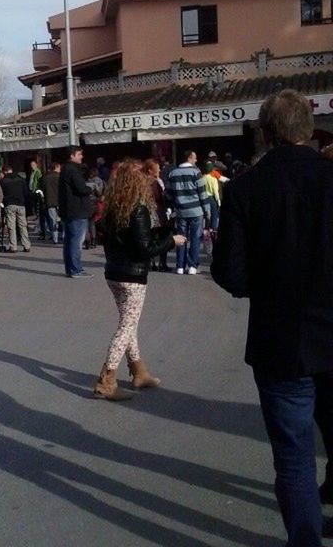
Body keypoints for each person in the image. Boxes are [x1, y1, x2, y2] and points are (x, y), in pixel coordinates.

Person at [212, 90, 333, 547]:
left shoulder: (245, 188)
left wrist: (273, 284)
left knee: (294, 455)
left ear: (265, 132)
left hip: (280, 340)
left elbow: (231, 274)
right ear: (309, 127)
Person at [93, 160, 185, 401]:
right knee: (126, 327)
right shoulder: (138, 208)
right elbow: (144, 249)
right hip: (132, 275)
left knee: (128, 323)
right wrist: (170, 241)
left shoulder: (113, 208)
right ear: (138, 181)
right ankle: (107, 379)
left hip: (113, 272)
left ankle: (138, 371)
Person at [166, 150, 210, 275]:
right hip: (196, 211)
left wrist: (172, 206)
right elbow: (202, 193)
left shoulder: (173, 173)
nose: (196, 160)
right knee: (195, 238)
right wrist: (207, 209)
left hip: (180, 211)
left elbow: (168, 194)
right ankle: (192, 266)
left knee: (181, 237)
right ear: (190, 158)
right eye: (195, 158)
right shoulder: (196, 172)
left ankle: (180, 266)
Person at [59, 146, 93, 278]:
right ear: (72, 155)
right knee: (76, 241)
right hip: (77, 210)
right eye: (79, 154)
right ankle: (76, 269)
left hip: (68, 209)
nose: (81, 157)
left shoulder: (65, 169)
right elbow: (81, 188)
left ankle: (70, 268)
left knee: (69, 241)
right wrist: (90, 189)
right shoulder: (73, 170)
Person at [143, 158, 170, 272]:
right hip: (157, 213)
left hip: (148, 214)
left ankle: (150, 262)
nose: (159, 171)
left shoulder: (142, 181)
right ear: (150, 170)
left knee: (151, 238)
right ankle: (162, 263)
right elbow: (160, 197)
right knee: (163, 237)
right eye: (157, 169)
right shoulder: (153, 182)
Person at [0, 165, 31, 253]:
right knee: (23, 225)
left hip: (9, 204)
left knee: (11, 226)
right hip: (21, 204)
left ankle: (13, 246)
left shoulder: (3, 181)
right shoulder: (20, 179)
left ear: (4, 172)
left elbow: (1, 194)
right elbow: (26, 192)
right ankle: (26, 245)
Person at [39, 162, 61, 244]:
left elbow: (41, 191)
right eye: (59, 168)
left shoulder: (45, 178)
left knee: (52, 220)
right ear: (56, 167)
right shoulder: (60, 177)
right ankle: (64, 236)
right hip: (60, 201)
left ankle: (55, 238)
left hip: (49, 201)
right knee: (63, 220)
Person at [84, 167, 105, 249]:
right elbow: (99, 193)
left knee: (85, 223)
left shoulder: (84, 183)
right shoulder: (97, 183)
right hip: (94, 204)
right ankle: (93, 241)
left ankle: (87, 241)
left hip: (85, 204)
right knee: (92, 223)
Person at [201, 162, 221, 234]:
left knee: (206, 215)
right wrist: (218, 202)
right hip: (212, 198)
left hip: (204, 198)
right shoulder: (213, 179)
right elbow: (216, 192)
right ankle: (213, 230)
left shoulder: (202, 178)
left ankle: (206, 229)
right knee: (214, 215)